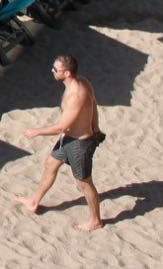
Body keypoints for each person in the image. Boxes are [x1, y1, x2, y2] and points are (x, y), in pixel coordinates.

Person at [16, 54, 104, 232]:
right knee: (50, 164)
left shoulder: (77, 93)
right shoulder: (81, 82)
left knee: (84, 182)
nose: (52, 71)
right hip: (68, 139)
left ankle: (95, 220)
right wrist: (96, 127)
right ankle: (34, 201)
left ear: (67, 73)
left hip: (80, 144)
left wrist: (36, 132)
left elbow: (62, 126)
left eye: (55, 69)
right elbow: (93, 105)